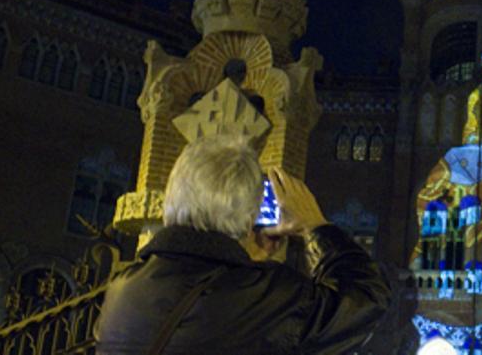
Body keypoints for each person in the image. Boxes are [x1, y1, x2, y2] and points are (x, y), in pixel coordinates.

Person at [95, 134, 391, 354]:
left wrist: (248, 257)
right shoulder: (267, 298)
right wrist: (315, 225)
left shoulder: (123, 289)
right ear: (249, 214)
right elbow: (366, 299)